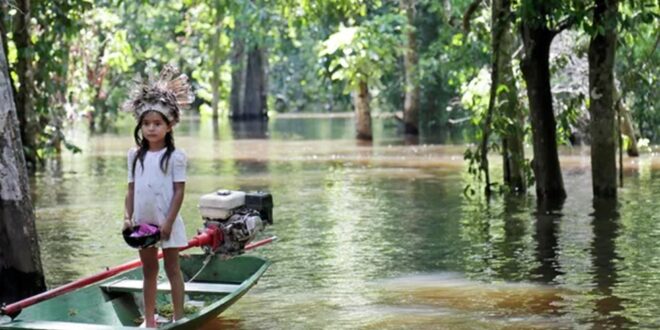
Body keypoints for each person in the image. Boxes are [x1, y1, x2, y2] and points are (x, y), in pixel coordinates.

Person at [121, 65, 194, 327]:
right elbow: (130, 189)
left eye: (157, 123)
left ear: (169, 125)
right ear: (140, 126)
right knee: (149, 270)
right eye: (147, 124)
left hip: (167, 220)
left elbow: (179, 192)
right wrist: (127, 217)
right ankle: (149, 320)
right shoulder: (134, 155)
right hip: (143, 222)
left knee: (172, 269)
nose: (151, 129)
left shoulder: (175, 157)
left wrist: (169, 223)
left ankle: (178, 316)